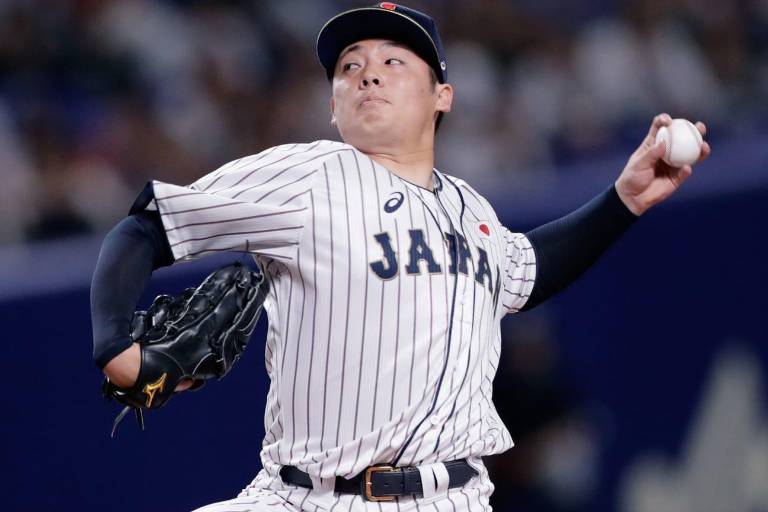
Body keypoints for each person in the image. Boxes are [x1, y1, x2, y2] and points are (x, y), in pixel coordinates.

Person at [90, 3, 710, 511]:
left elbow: (527, 270)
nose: (367, 74)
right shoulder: (306, 176)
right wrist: (116, 347)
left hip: (455, 497)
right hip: (303, 498)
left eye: (392, 60)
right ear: (333, 106)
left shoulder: (472, 209)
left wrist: (623, 200)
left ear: (443, 96)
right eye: (350, 67)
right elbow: (146, 228)